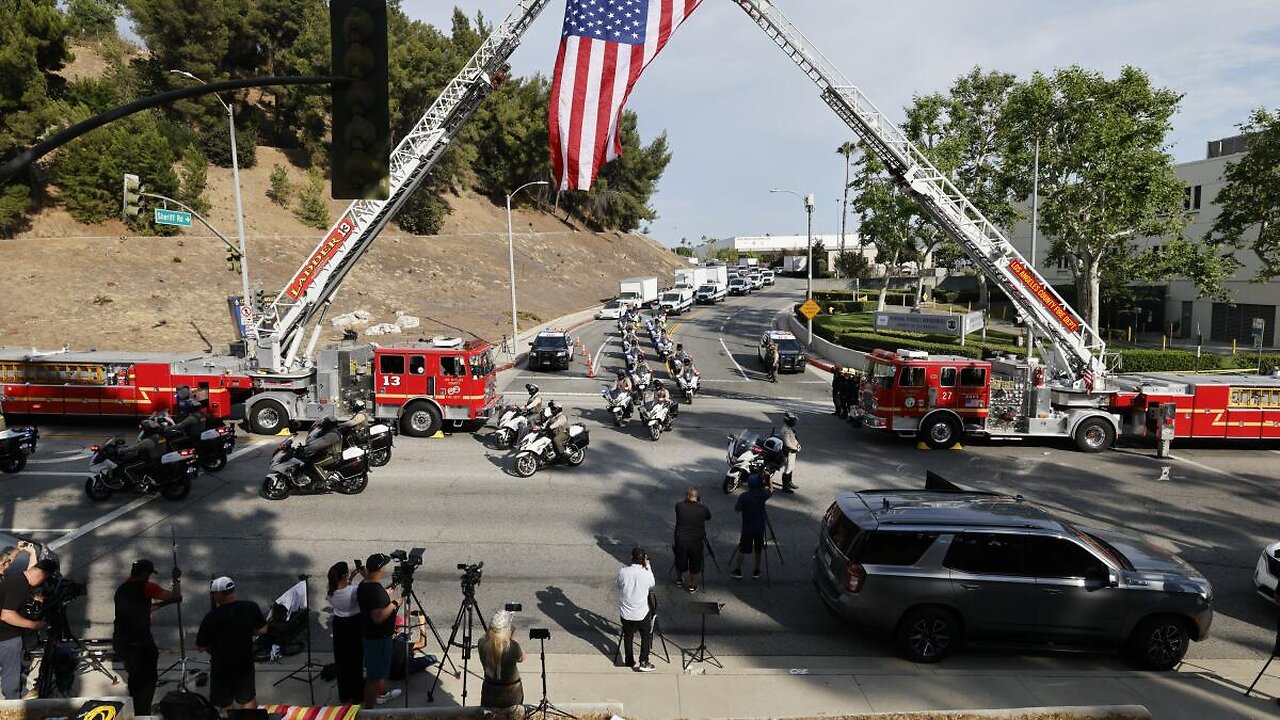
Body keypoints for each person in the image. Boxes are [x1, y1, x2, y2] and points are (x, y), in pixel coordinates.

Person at [113, 559, 182, 715]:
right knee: (148, 680)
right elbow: (176, 596)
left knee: (134, 676)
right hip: (140, 643)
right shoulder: (146, 586)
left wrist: (163, 604)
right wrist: (176, 580)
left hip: (120, 641)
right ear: (144, 573)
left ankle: (134, 707)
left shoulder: (122, 589)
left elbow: (142, 608)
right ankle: (143, 713)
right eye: (149, 573)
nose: (149, 577)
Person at [196, 577, 267, 712]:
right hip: (245, 664)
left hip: (221, 667)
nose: (212, 596)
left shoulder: (211, 617)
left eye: (213, 593)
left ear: (218, 594)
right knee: (248, 699)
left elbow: (201, 647)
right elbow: (263, 629)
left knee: (224, 703)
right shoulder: (251, 607)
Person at [0, 544, 55, 700]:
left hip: (6, 635)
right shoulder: (19, 586)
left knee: (12, 669)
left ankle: (20, 692)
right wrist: (34, 625)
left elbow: (34, 572)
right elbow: (6, 615)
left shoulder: (20, 578)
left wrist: (32, 554)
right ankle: (13, 702)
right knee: (11, 672)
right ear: (43, 576)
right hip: (7, 637)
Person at [357, 554, 403, 706]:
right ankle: (369, 710)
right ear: (380, 568)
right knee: (374, 677)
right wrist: (395, 603)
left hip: (371, 635)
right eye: (384, 566)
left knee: (379, 672)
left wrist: (388, 590)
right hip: (379, 639)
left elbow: (376, 598)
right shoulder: (374, 590)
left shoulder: (365, 584)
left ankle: (380, 695)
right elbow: (378, 617)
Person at [327, 561, 364, 704]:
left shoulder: (331, 592)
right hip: (354, 623)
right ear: (344, 575)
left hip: (339, 625)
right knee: (356, 660)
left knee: (342, 661)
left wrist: (350, 578)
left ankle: (344, 694)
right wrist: (363, 574)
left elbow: (343, 589)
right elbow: (364, 589)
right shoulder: (354, 590)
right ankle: (357, 694)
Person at [615, 547, 656, 672]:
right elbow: (652, 584)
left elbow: (618, 585)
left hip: (626, 613)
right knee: (646, 636)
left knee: (628, 636)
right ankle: (643, 661)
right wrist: (648, 566)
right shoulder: (646, 573)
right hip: (641, 613)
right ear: (644, 559)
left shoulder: (623, 572)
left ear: (631, 558)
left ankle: (629, 660)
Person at [478, 609, 524, 710]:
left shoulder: (481, 643)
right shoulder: (513, 647)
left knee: (489, 714)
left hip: (489, 691)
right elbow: (522, 658)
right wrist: (512, 638)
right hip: (512, 693)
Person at [731, 474, 772, 580]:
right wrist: (769, 480)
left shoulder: (744, 496)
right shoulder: (763, 494)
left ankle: (738, 570)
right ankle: (756, 571)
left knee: (742, 549)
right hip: (759, 528)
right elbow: (771, 490)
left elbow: (737, 509)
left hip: (747, 528)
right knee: (758, 550)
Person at [673, 488, 711, 592]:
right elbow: (708, 517)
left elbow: (682, 505)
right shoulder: (703, 509)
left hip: (681, 540)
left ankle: (679, 579)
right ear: (697, 497)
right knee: (695, 563)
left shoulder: (679, 506)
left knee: (680, 560)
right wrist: (699, 504)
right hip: (696, 541)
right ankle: (692, 585)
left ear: (687, 496)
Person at [780, 411, 801, 493]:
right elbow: (787, 443)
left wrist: (797, 445)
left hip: (793, 451)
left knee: (791, 467)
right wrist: (796, 448)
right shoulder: (785, 430)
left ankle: (789, 482)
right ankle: (785, 487)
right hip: (788, 452)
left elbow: (793, 438)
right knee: (788, 469)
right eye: (793, 421)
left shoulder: (789, 428)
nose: (794, 423)